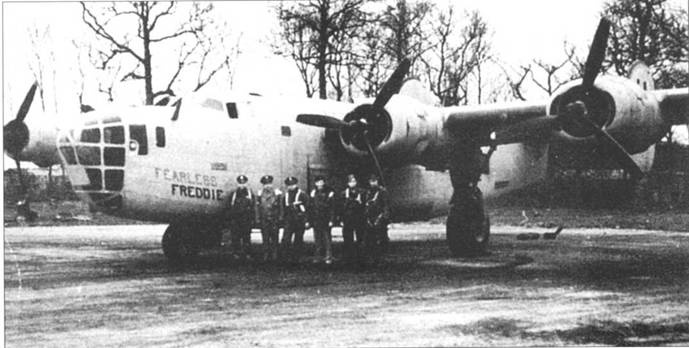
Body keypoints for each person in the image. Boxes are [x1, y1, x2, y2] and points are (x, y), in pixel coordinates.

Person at [338, 174, 367, 262]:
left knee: (360, 238)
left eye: (354, 181)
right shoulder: (344, 193)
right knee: (347, 239)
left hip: (359, 217)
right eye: (350, 182)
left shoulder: (362, 192)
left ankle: (361, 257)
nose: (352, 183)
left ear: (356, 182)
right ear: (347, 183)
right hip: (348, 218)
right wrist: (341, 218)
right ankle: (349, 257)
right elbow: (341, 207)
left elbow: (365, 205)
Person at [228, 175, 256, 260]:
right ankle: (236, 253)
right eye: (240, 183)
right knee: (235, 237)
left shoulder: (249, 193)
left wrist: (252, 219)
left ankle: (247, 253)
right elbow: (231, 206)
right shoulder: (234, 193)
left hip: (246, 219)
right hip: (236, 219)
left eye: (243, 183)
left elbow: (253, 206)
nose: (242, 185)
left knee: (246, 237)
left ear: (246, 183)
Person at [308, 176, 335, 264]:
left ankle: (328, 256)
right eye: (318, 182)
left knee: (327, 239)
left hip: (325, 219)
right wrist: (310, 220)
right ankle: (318, 256)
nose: (319, 184)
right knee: (317, 239)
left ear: (323, 183)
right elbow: (311, 207)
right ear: (315, 183)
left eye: (321, 182)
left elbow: (332, 207)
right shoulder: (313, 192)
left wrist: (331, 220)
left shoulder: (329, 192)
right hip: (316, 219)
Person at [281, 176, 309, 261]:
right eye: (289, 185)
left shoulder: (302, 194)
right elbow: (284, 208)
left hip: (299, 220)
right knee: (286, 239)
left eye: (292, 185)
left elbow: (307, 208)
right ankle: (286, 257)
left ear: (296, 184)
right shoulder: (285, 195)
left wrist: (306, 220)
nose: (290, 186)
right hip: (289, 220)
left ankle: (297, 258)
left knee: (298, 239)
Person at [256, 175, 283, 262]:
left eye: (269, 184)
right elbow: (257, 207)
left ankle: (275, 255)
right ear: (263, 185)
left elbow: (281, 206)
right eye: (265, 184)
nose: (267, 186)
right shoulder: (259, 194)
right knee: (265, 238)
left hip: (274, 219)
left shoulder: (277, 193)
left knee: (275, 238)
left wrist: (280, 217)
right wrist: (258, 218)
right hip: (264, 219)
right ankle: (266, 255)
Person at [364, 173, 391, 260]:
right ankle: (372, 256)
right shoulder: (368, 192)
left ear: (377, 181)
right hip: (370, 216)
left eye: (374, 181)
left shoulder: (382, 191)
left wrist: (385, 217)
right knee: (370, 238)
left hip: (380, 216)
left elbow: (386, 205)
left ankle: (382, 255)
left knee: (381, 236)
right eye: (371, 182)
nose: (373, 183)